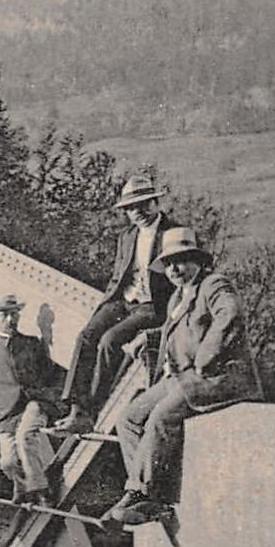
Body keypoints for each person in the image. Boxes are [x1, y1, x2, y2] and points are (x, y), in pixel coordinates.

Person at [107, 226, 262, 535]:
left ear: (197, 262)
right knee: (128, 418)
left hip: (216, 375)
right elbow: (174, 331)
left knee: (162, 417)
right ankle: (149, 494)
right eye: (169, 263)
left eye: (182, 261)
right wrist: (147, 337)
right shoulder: (179, 295)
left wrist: (207, 354)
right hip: (182, 374)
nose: (175, 269)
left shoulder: (213, 285)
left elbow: (229, 315)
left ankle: (144, 492)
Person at [53, 173, 177, 433]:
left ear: (156, 203)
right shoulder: (127, 236)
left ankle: (91, 411)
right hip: (123, 301)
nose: (139, 212)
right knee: (86, 336)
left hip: (151, 307)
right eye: (132, 208)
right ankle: (76, 408)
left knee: (110, 341)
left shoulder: (172, 234)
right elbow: (119, 275)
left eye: (144, 204)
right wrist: (106, 305)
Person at [0, 293, 64, 506]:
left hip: (35, 403)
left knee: (26, 438)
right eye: (4, 315)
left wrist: (49, 397)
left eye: (14, 314)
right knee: (7, 462)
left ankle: (40, 488)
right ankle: (22, 485)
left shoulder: (32, 343)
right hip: (6, 410)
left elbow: (49, 373)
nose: (10, 319)